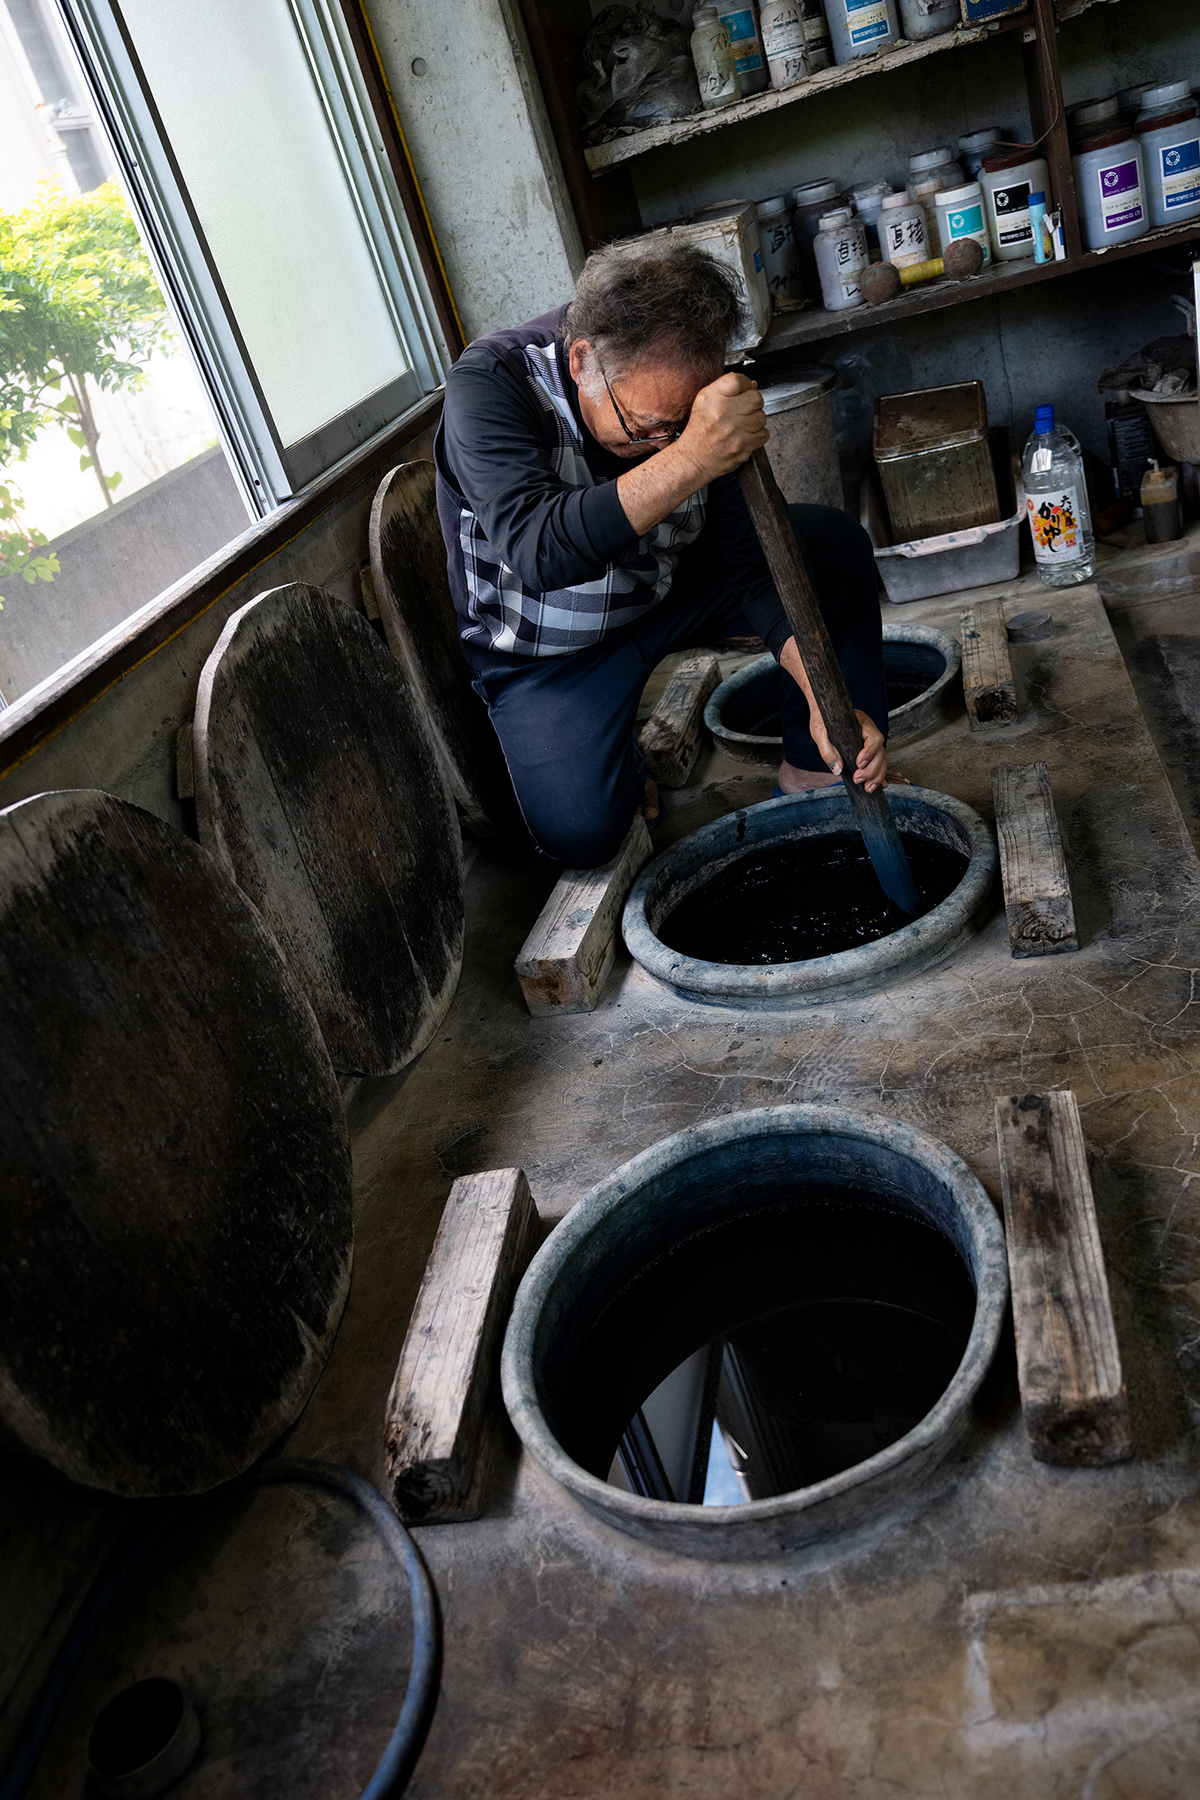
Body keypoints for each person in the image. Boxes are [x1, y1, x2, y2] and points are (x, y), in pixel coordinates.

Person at [434, 242, 891, 868]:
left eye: (681, 427)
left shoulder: (695, 396)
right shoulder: (491, 386)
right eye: (646, 426)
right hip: (550, 650)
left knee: (828, 544)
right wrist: (696, 452)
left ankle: (812, 770)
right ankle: (608, 751)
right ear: (582, 360)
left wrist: (822, 695)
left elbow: (757, 568)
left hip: (668, 586)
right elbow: (540, 552)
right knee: (584, 834)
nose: (661, 446)